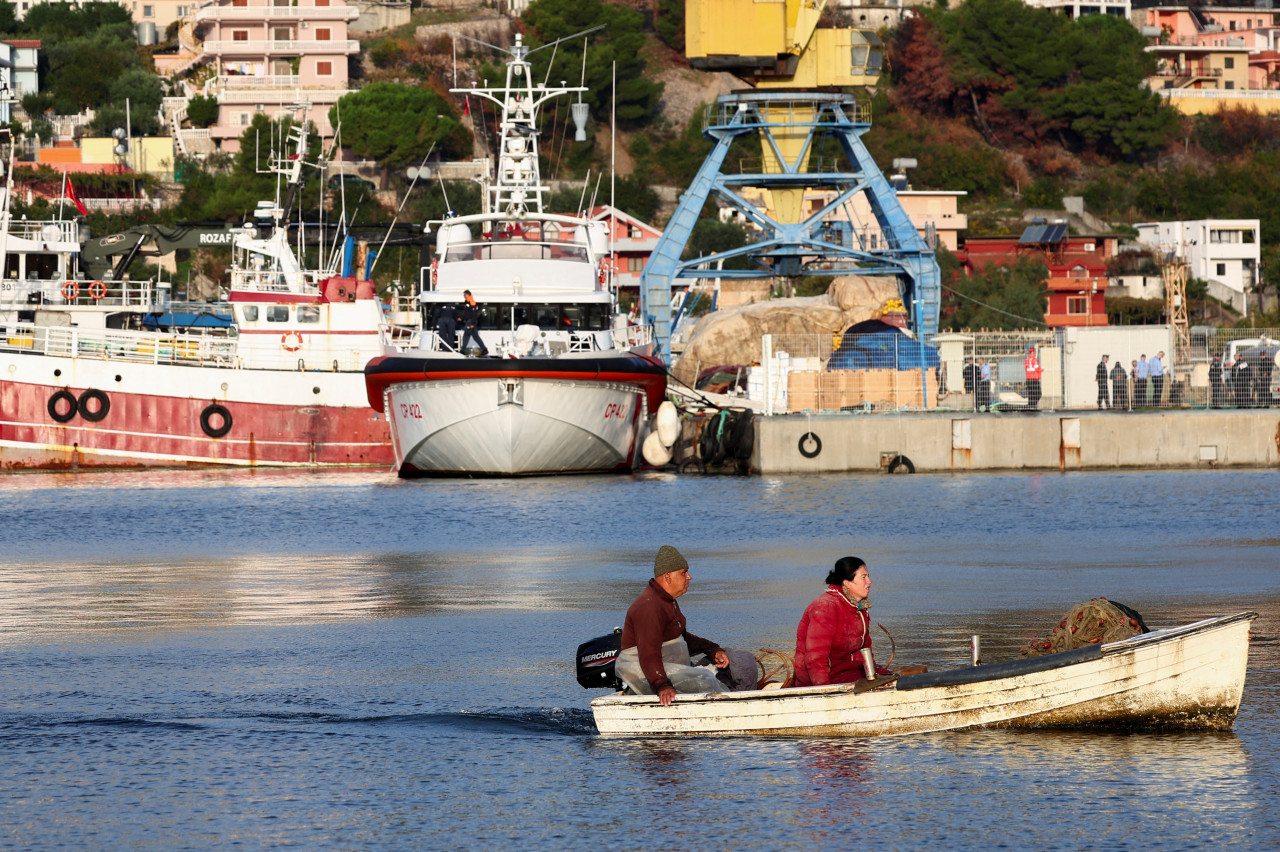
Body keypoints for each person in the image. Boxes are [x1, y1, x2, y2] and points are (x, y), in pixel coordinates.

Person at [615, 545, 758, 705]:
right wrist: (662, 685)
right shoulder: (649, 607)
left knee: (740, 659)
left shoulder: (667, 601)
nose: (689, 577)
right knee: (705, 680)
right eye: (683, 573)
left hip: (671, 668)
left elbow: (682, 638)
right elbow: (649, 654)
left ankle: (733, 693)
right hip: (647, 675)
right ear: (668, 577)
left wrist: (713, 650)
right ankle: (736, 703)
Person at [794, 557, 892, 687]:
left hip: (850, 670)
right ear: (847, 583)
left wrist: (873, 673)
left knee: (889, 678)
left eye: (868, 576)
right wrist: (824, 690)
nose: (869, 581)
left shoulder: (858, 607)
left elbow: (865, 648)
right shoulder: (825, 607)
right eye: (863, 577)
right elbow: (815, 658)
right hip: (825, 676)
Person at [459, 289, 489, 356]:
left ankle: (462, 351)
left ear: (468, 295)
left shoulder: (471, 302)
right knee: (476, 337)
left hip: (471, 322)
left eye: (465, 294)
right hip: (470, 321)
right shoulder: (467, 302)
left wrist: (472, 324)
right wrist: (462, 318)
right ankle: (484, 350)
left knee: (466, 336)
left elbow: (474, 314)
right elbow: (467, 314)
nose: (464, 296)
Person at [1023, 345, 1042, 410]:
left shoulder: (1026, 361)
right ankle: (1034, 406)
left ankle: (1030, 406)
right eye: (1035, 352)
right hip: (1034, 379)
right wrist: (1041, 370)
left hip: (1028, 379)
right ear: (1033, 352)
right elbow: (1037, 368)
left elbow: (1026, 368)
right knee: (1038, 394)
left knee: (1030, 394)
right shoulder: (1035, 360)